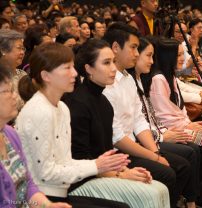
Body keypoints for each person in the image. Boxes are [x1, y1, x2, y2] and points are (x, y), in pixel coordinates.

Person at [16, 42, 130, 208]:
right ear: (46, 76)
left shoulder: (61, 107)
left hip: (60, 192)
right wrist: (96, 166)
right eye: (67, 68)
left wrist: (100, 165)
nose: (75, 73)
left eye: (73, 67)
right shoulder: (38, 111)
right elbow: (46, 174)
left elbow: (66, 162)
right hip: (40, 198)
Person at [63, 39, 170, 208]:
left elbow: (106, 151)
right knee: (151, 194)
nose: (113, 68)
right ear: (88, 68)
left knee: (160, 189)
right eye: (106, 63)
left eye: (113, 61)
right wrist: (120, 175)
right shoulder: (77, 103)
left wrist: (125, 171)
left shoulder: (103, 101)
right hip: (82, 179)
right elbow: (81, 158)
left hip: (101, 171)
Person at [103, 22, 191, 207]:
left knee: (181, 164)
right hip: (116, 151)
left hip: (133, 144)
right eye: (133, 48)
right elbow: (117, 137)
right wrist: (154, 157)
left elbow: (139, 120)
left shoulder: (127, 78)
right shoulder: (107, 83)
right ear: (116, 48)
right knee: (169, 170)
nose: (136, 53)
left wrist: (155, 151)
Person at [145, 37, 202, 194]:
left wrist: (188, 122)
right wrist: (187, 125)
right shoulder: (158, 78)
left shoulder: (169, 75)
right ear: (167, 57)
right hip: (167, 128)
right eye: (178, 55)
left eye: (183, 54)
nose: (183, 58)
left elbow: (179, 106)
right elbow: (164, 114)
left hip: (177, 124)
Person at [127, 37, 202, 207]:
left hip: (155, 133)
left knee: (197, 146)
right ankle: (188, 200)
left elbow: (150, 116)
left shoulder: (139, 79)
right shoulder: (153, 78)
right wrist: (160, 139)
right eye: (147, 55)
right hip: (145, 138)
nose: (152, 61)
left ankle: (195, 197)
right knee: (189, 152)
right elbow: (159, 115)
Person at [0, 59, 71, 208]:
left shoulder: (10, 134)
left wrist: (47, 205)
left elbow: (29, 185)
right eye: (7, 91)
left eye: (13, 90)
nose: (15, 96)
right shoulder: (38, 111)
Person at [0, 29, 26, 111]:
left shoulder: (23, 75)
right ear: (3, 50)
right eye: (19, 48)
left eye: (23, 49)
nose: (22, 52)